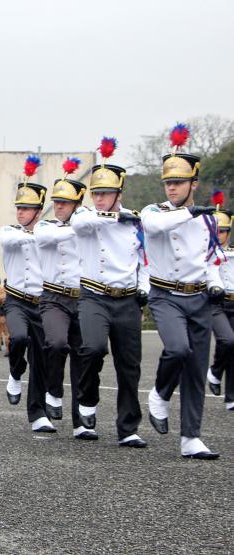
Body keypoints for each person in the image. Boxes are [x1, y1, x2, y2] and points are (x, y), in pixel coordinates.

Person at [143, 125, 223, 459]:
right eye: (168, 183)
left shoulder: (208, 221)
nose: (172, 188)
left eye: (179, 182)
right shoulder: (155, 212)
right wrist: (188, 211)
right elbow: (154, 227)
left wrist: (215, 282)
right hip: (165, 295)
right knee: (177, 349)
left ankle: (191, 437)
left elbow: (210, 258)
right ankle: (159, 394)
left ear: (194, 183)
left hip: (199, 297)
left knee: (195, 368)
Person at [71, 137, 149, 447]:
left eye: (106, 194)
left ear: (120, 193)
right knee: (92, 348)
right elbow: (80, 224)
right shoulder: (86, 217)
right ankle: (87, 398)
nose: (100, 199)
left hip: (127, 298)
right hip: (94, 295)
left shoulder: (136, 221)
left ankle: (128, 428)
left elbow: (145, 261)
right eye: (96, 193)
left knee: (129, 365)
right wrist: (114, 215)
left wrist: (143, 289)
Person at [0, 158, 52, 434]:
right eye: (19, 208)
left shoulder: (51, 233)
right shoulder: (9, 232)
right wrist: (43, 234)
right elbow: (12, 241)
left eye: (27, 208)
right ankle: (15, 371)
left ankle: (38, 413)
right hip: (17, 299)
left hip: (43, 302)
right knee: (19, 338)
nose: (21, 213)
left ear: (38, 210)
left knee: (42, 359)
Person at [34, 158, 86, 427]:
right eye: (56, 202)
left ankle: (80, 422)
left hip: (84, 298)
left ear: (77, 204)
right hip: (54, 297)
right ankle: (53, 389)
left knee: (83, 358)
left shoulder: (88, 225)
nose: (58, 206)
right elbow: (46, 239)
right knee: (56, 343)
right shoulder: (46, 226)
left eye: (64, 203)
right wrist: (83, 225)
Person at [208, 207, 234, 411]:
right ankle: (215, 372)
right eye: (216, 230)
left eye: (223, 231)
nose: (219, 235)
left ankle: (231, 396)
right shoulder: (205, 253)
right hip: (216, 303)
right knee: (227, 340)